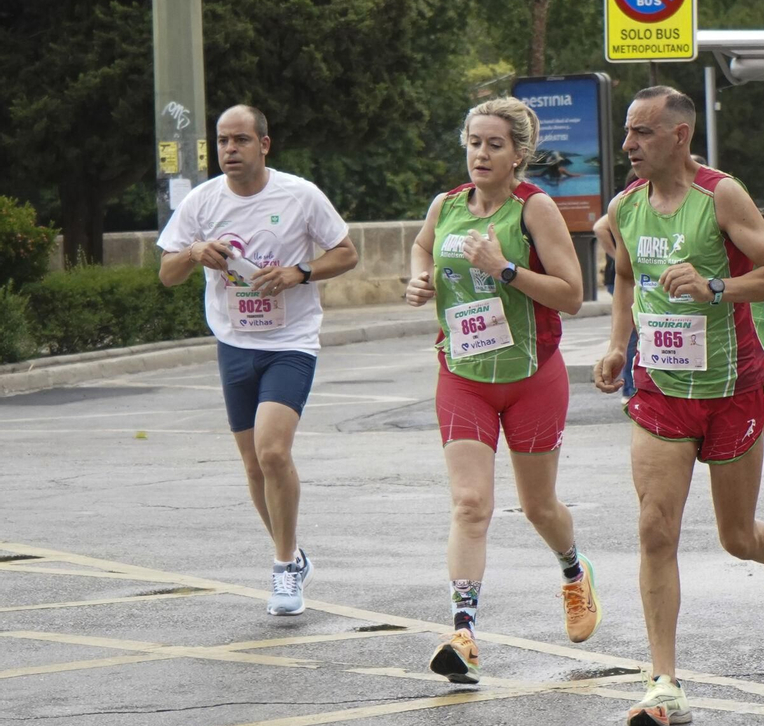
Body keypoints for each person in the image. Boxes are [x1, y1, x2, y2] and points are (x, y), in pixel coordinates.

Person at [593, 86, 764, 726]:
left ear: (680, 135)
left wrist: (716, 285)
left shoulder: (721, 196)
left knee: (735, 536)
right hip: (660, 390)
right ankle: (664, 682)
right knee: (654, 529)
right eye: (628, 134)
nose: (629, 146)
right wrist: (615, 345)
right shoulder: (625, 206)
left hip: (732, 387)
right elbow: (627, 277)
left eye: (641, 133)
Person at [403, 99, 597, 683]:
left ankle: (573, 570)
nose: (480, 154)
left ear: (518, 155)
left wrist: (505, 268)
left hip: (532, 377)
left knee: (538, 506)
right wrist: (419, 276)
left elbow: (571, 293)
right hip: (463, 376)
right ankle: (463, 630)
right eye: (473, 143)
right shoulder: (447, 205)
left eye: (493, 145)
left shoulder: (533, 209)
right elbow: (421, 245)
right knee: (470, 504)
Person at [156, 105, 359, 615]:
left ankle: (284, 567)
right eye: (223, 141)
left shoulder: (299, 195)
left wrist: (299, 272)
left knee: (272, 453)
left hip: (290, 342)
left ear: (264, 145)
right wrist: (194, 252)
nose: (230, 150)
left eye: (241, 140)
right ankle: (291, 554)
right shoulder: (202, 202)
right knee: (252, 465)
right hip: (234, 343)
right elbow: (167, 274)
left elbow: (346, 252)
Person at [593, 212, 636, 397]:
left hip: (632, 277)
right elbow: (599, 227)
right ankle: (630, 389)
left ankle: (632, 388)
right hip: (623, 277)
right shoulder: (629, 198)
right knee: (632, 333)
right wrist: (616, 255)